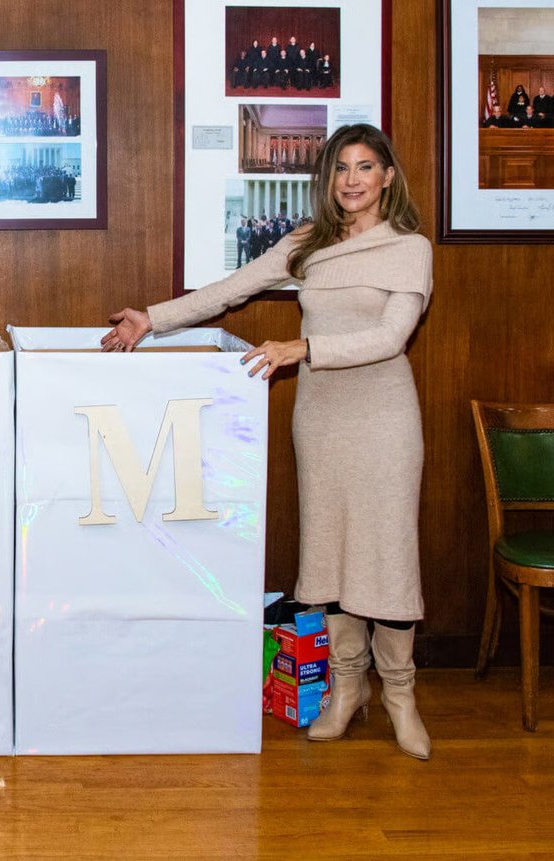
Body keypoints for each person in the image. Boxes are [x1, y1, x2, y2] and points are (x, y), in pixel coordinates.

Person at [101, 124, 433, 761]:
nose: (353, 180)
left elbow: (390, 338)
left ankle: (400, 694)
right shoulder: (307, 243)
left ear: (388, 177)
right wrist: (153, 317)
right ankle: (345, 690)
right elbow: (233, 288)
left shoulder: (410, 249)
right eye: (342, 168)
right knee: (332, 553)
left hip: (385, 418)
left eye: (366, 167)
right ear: (328, 179)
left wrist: (302, 347)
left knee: (386, 555)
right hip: (322, 417)